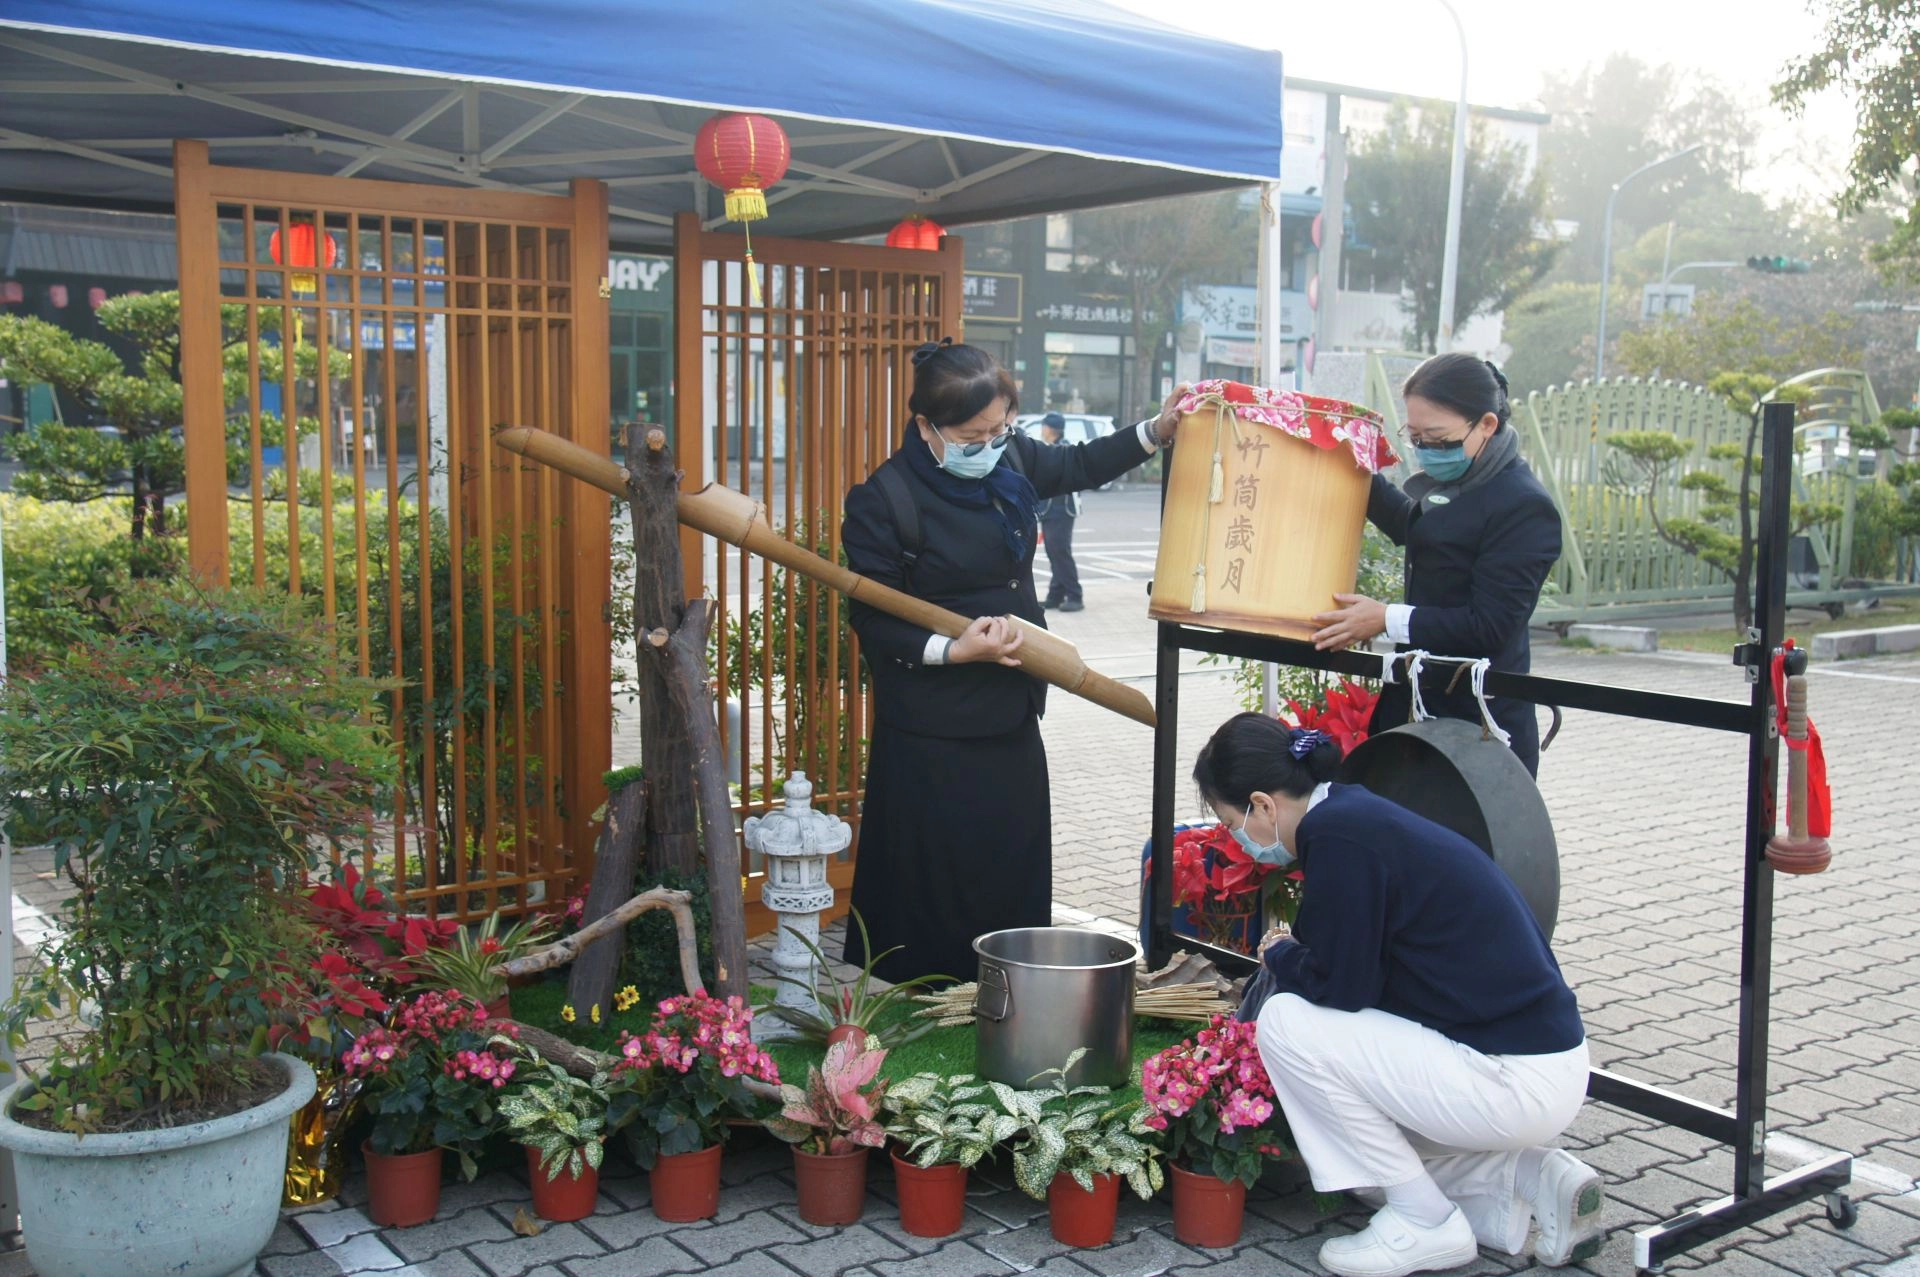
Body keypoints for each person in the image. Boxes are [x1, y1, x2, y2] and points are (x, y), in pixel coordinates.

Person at [1193, 712, 1602, 1277]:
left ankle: (1425, 1223)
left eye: (1231, 820)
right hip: (1540, 1060)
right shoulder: (1353, 815)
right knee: (1360, 1149)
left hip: (1513, 1076)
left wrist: (1280, 952)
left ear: (1263, 805)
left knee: (1287, 1025)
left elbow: (1342, 988)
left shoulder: (1336, 838)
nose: (1235, 837)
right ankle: (1532, 1179)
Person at [839, 341, 1182, 983]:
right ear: (926, 428)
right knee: (934, 861)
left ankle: (1007, 965)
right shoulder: (885, 499)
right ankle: (926, 981)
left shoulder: (1011, 462)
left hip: (1012, 701)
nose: (991, 443)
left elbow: (1078, 463)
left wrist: (1155, 432)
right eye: (974, 435)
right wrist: (954, 649)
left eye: (1001, 427)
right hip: (932, 720)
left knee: (1008, 850)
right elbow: (872, 615)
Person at [1309, 354, 1561, 775]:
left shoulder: (1522, 505)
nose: (1427, 450)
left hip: (1480, 725)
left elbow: (1491, 624)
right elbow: (1419, 529)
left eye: (1439, 438)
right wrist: (1353, 467)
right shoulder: (1461, 483)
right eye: (1416, 437)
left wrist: (1386, 618)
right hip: (1417, 712)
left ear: (1486, 425)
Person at [1036, 412, 1086, 612]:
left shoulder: (1063, 449)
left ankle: (1075, 595)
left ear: (1049, 429)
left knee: (1060, 551)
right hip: (1049, 509)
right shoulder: (1053, 448)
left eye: (1043, 427)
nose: (1042, 430)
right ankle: (1055, 595)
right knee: (1053, 551)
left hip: (1062, 509)